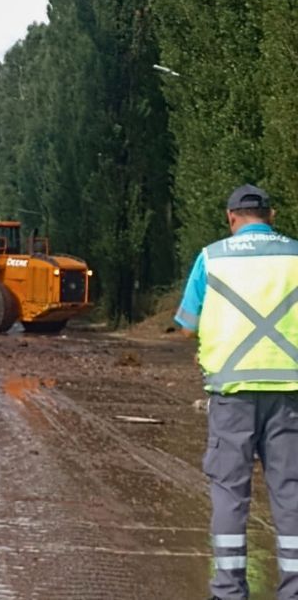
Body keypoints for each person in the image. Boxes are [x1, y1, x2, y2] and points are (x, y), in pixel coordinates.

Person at [175, 185, 298, 600]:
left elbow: (187, 325)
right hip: (290, 394)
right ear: (272, 215)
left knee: (230, 493)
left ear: (231, 218)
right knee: (291, 493)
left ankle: (229, 592)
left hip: (232, 395)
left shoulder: (211, 258)